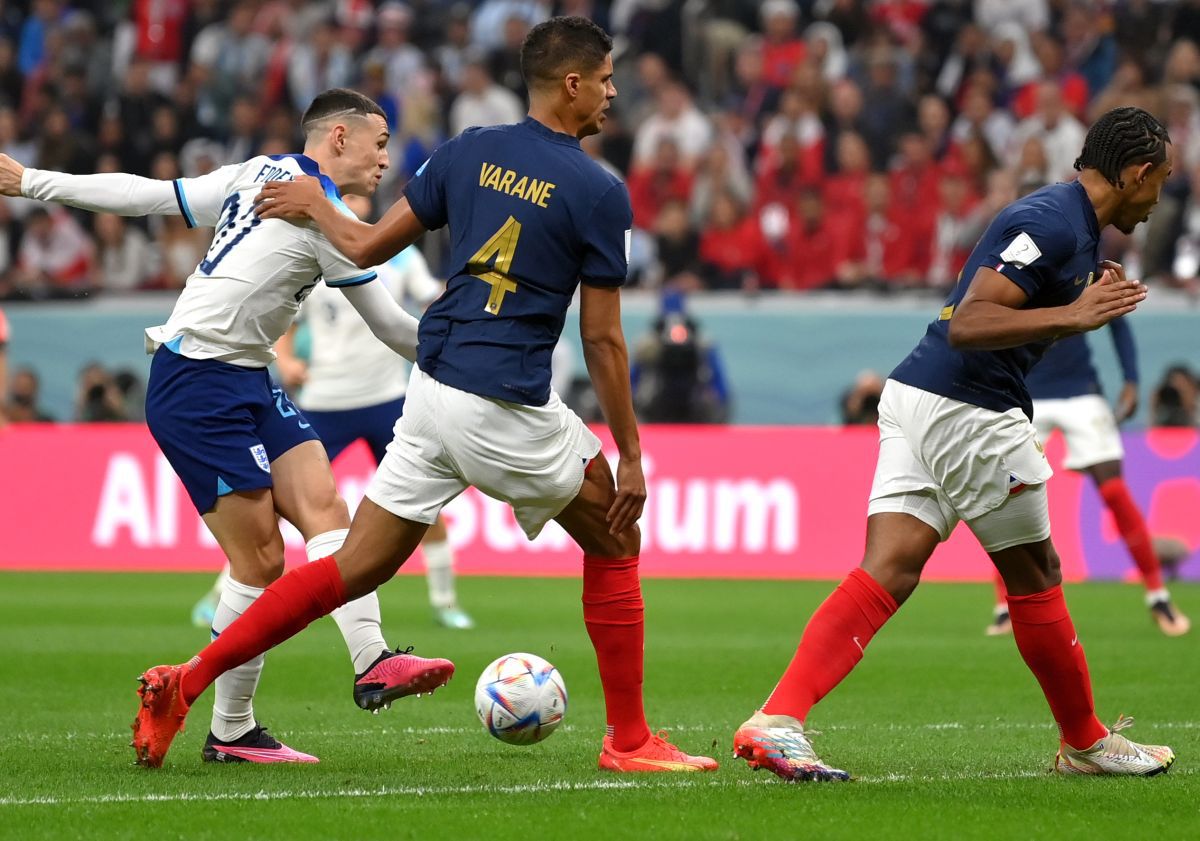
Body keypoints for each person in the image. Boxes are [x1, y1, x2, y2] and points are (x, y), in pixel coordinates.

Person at [129, 16, 718, 775]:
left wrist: (315, 204)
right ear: (571, 84)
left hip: (432, 392)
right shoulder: (599, 191)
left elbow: (365, 245)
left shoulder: (466, 150)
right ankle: (631, 741)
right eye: (605, 79)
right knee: (615, 533)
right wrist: (631, 453)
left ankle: (187, 681)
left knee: (352, 566)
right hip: (506, 400)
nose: (612, 92)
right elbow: (602, 340)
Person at [0, 89, 454, 765]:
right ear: (336, 137)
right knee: (263, 560)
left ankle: (369, 661)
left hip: (246, 375)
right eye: (378, 141)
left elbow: (150, 195)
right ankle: (216, 715)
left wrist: (34, 181)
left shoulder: (259, 171)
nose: (387, 156)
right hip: (195, 381)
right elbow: (394, 328)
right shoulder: (323, 218)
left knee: (327, 505)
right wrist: (477, 363)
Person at [733, 106, 1178, 782]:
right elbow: (972, 319)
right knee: (1037, 574)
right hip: (970, 409)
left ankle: (777, 716)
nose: (1159, 198)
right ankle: (1086, 742)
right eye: (1161, 182)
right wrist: (1074, 311)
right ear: (1137, 173)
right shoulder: (1054, 222)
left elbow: (1014, 304)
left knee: (891, 567)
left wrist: (1076, 291)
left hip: (918, 395)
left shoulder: (1074, 229)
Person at [193, 193, 476, 632]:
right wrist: (284, 360)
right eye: (345, 196)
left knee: (426, 502)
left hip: (387, 399)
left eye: (360, 197)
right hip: (325, 399)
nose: (354, 202)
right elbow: (287, 320)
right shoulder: (310, 249)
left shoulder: (400, 257)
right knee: (277, 506)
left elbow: (432, 300)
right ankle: (219, 595)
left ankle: (445, 601)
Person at [986, 324, 1190, 637]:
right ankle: (1004, 606)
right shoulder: (1013, 274)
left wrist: (1131, 379)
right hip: (1026, 393)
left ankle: (1159, 597)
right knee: (1007, 493)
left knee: (1114, 491)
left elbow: (1119, 321)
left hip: (1082, 391)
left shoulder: (1090, 272)